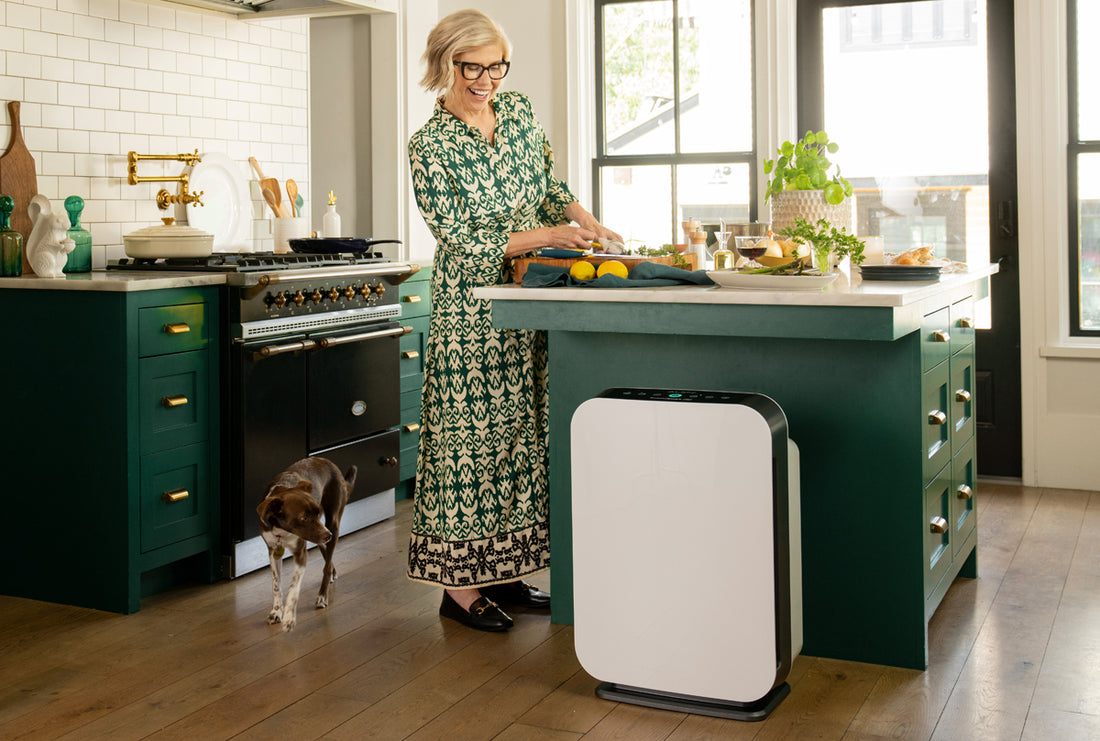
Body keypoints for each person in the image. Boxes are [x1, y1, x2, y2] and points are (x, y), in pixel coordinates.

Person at [406, 9, 622, 632]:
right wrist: (549, 235)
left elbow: (549, 185)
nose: (486, 81)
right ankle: (458, 588)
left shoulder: (519, 112)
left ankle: (506, 572)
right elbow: (459, 236)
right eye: (472, 68)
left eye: (496, 67)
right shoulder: (430, 146)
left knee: (522, 438)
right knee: (468, 446)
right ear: (445, 64)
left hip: (531, 296)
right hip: (471, 309)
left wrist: (589, 221)